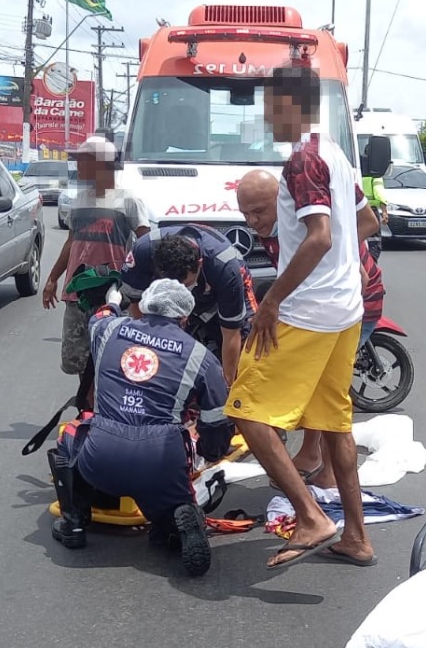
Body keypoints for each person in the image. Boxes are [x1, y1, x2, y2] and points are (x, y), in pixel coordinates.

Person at [223, 65, 377, 570]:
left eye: (270, 106)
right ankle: (356, 537)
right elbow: (366, 221)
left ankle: (310, 515)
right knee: (335, 422)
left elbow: (319, 237)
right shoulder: (334, 153)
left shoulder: (302, 161)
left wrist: (271, 301)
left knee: (246, 408)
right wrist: (342, 270)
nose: (266, 117)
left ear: (290, 104)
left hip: (308, 311)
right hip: (345, 310)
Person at [47, 279, 234, 578]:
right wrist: (210, 452)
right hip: (162, 462)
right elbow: (217, 421)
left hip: (102, 458)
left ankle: (74, 523)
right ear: (184, 318)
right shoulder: (201, 357)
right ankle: (173, 523)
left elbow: (100, 315)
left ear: (144, 307)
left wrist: (114, 299)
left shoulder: (109, 330)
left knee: (71, 433)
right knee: (169, 499)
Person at [235, 169, 384, 496]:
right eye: (245, 213)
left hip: (349, 309)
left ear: (282, 200)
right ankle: (314, 456)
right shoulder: (274, 227)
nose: (251, 222)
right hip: (320, 312)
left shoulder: (311, 220)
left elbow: (358, 268)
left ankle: (325, 468)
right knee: (322, 392)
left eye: (258, 211)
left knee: (328, 395)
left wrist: (274, 304)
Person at [42, 135, 152, 408]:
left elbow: (146, 243)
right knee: (79, 357)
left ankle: (108, 408)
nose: (78, 168)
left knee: (113, 355)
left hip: (112, 296)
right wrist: (53, 278)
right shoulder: (78, 201)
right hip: (77, 293)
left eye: (83, 162)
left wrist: (143, 287)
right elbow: (72, 242)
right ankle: (87, 407)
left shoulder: (128, 202)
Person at [118, 224, 258, 385]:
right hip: (167, 294)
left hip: (222, 283)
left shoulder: (226, 269)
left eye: (185, 284)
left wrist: (227, 387)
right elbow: (136, 307)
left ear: (199, 264)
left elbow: (232, 334)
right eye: (173, 284)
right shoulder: (143, 251)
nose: (180, 291)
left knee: (249, 348)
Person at [360, 171, 387, 261]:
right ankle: (371, 264)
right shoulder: (375, 172)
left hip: (353, 210)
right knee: (374, 241)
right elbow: (379, 191)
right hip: (370, 210)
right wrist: (384, 211)